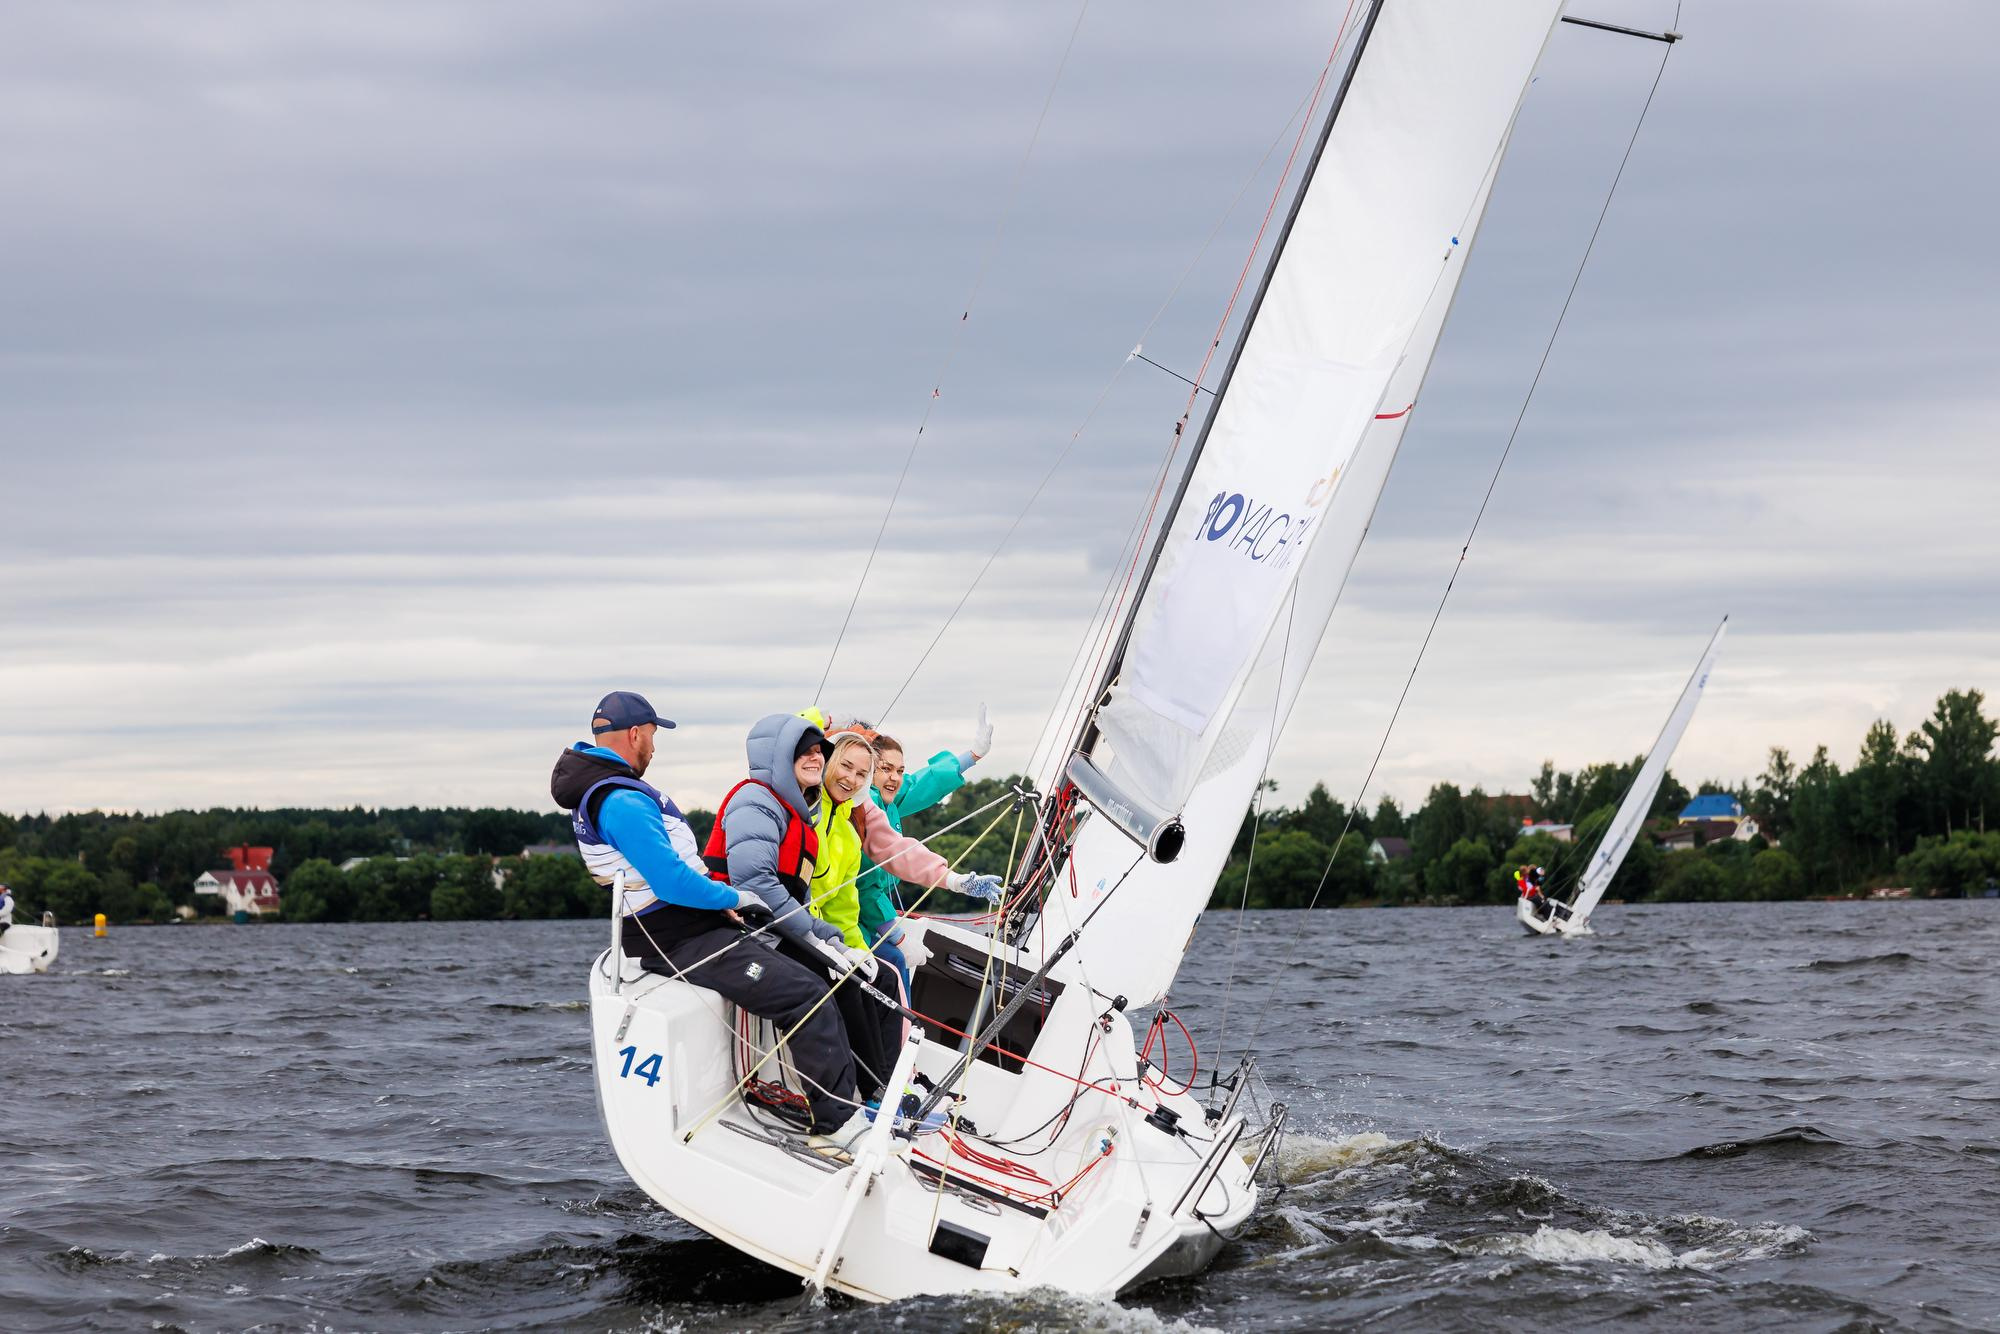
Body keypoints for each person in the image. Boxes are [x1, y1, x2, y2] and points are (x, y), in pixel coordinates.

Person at [550, 692, 859, 1135]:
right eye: (653, 737)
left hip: (692, 927)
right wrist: (735, 899)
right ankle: (839, 1121)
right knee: (805, 995)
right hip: (676, 939)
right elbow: (671, 881)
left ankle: (847, 1100)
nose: (654, 748)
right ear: (635, 734)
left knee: (815, 973)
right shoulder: (621, 801)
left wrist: (723, 904)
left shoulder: (612, 790)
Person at [854, 709, 992, 992]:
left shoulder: (886, 798)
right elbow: (865, 887)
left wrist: (972, 756)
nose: (895, 777)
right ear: (868, 770)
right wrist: (900, 938)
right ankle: (900, 1035)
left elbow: (921, 783)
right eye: (885, 769)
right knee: (893, 962)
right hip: (855, 917)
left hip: (864, 917)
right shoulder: (866, 806)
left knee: (893, 961)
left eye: (899, 770)